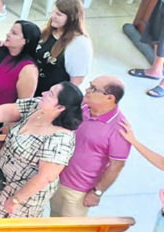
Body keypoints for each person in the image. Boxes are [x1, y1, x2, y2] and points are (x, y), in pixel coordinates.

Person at [0, 82, 82, 219]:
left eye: (50, 95)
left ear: (60, 107)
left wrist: (16, 200)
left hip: (22, 195)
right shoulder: (37, 106)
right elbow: (7, 111)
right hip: (0, 181)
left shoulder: (60, 139)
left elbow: (46, 177)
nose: (43, 94)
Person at [48, 76, 130, 219]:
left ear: (109, 98)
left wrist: (97, 192)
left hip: (78, 190)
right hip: (55, 176)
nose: (87, 89)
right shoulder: (83, 108)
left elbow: (117, 165)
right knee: (53, 218)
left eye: (93, 88)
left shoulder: (119, 129)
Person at [35, 0, 92, 94]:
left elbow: (76, 80)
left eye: (59, 14)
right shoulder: (50, 31)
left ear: (71, 18)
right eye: (53, 12)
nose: (53, 16)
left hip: (48, 95)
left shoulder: (79, 44)